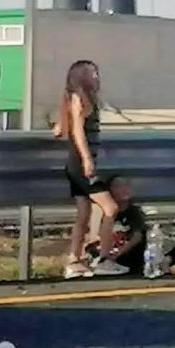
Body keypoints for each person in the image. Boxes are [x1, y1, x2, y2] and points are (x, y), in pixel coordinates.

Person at [57, 60, 128, 278]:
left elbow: (64, 127)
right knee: (110, 208)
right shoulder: (79, 98)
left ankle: (74, 260)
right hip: (81, 164)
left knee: (84, 214)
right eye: (91, 73)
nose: (96, 77)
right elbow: (78, 131)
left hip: (76, 163)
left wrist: (60, 127)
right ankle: (104, 259)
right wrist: (87, 159)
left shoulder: (82, 99)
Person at [84, 175, 147, 275]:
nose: (124, 189)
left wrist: (117, 255)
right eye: (118, 186)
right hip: (104, 264)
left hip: (129, 265)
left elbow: (137, 237)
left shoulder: (134, 212)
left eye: (126, 185)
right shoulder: (104, 214)